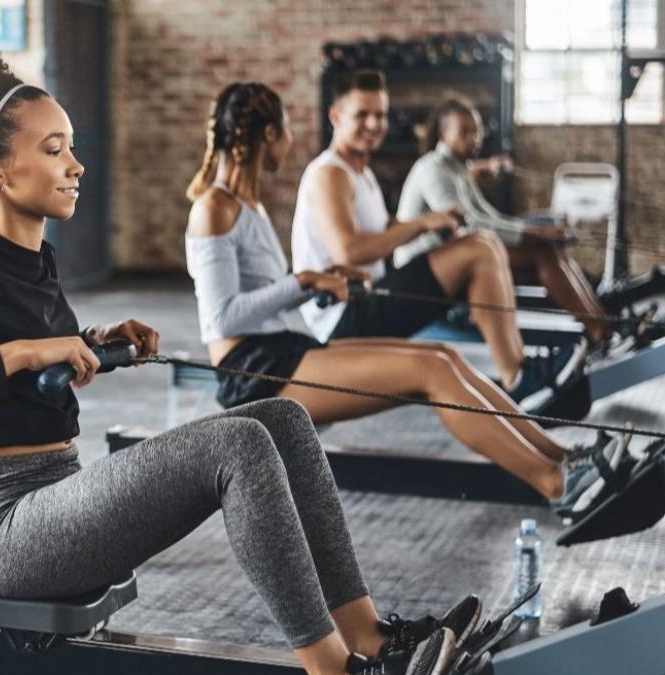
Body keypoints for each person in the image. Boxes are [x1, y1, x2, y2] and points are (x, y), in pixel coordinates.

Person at [0, 45, 466, 675]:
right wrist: (23, 353)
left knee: (283, 420)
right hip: (3, 526)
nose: (76, 166)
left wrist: (97, 340)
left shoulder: (33, 259)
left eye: (69, 146)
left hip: (57, 487)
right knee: (237, 446)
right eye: (53, 151)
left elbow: (28, 367)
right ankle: (332, 669)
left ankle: (370, 638)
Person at [184, 81, 615, 524]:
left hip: (280, 350)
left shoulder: (246, 205)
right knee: (429, 372)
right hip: (250, 372)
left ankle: (566, 457)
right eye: (288, 129)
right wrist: (304, 280)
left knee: (443, 357)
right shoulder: (214, 207)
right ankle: (556, 483)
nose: (292, 140)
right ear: (269, 135)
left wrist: (322, 282)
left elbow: (264, 300)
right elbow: (220, 319)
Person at [290, 70, 583, 406]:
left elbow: (385, 229)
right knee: (479, 248)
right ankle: (518, 378)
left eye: (381, 115)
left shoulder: (360, 173)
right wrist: (424, 222)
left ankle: (521, 370)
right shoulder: (330, 174)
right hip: (346, 317)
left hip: (372, 295)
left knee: (483, 246)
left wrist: (433, 223)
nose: (374, 124)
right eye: (362, 115)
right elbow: (349, 251)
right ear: (336, 116)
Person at [395, 97, 611, 346]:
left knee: (551, 249)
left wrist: (535, 231)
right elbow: (469, 225)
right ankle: (600, 332)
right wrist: (532, 235)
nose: (473, 138)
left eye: (476, 132)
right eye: (464, 132)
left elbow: (489, 217)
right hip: (422, 270)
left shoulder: (457, 168)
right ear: (444, 134)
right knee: (542, 253)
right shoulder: (433, 169)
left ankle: (604, 323)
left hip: (451, 254)